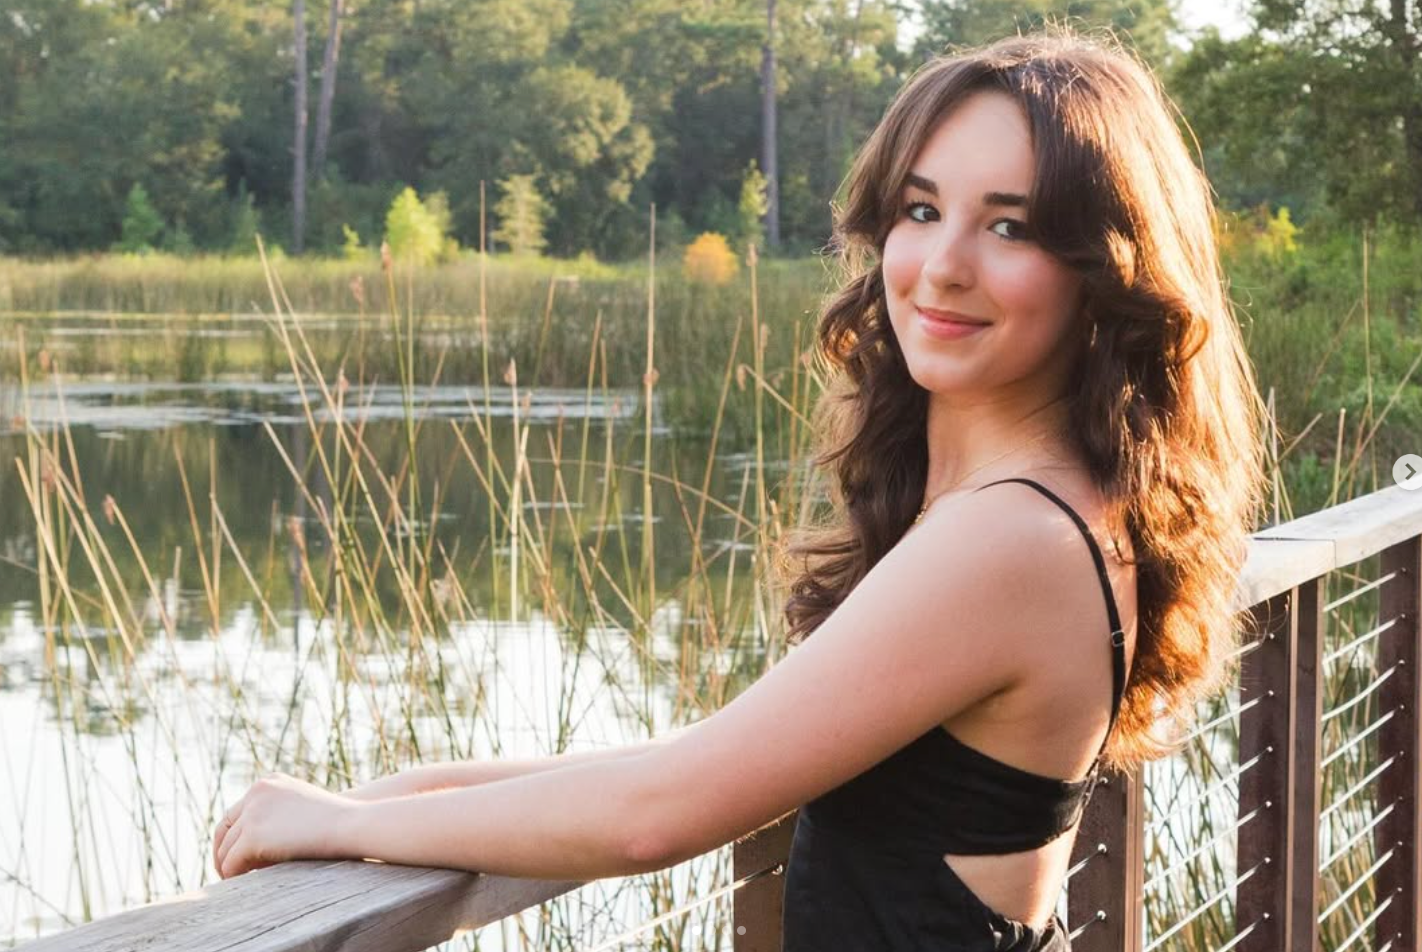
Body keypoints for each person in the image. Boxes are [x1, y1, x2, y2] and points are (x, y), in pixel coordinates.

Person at [212, 28, 1266, 951]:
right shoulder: (1040, 506)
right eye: (920, 207)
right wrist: (421, 788)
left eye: (1010, 226)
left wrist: (341, 825)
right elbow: (722, 759)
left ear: (1108, 271)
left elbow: (660, 813)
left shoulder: (1014, 536)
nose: (941, 265)